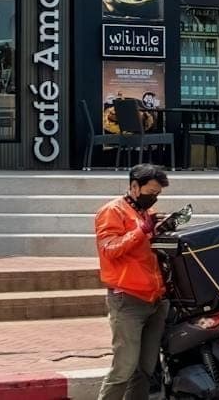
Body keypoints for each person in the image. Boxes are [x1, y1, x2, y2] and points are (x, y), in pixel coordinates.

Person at [95, 164, 170, 400]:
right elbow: (109, 250)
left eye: (157, 194)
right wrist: (142, 231)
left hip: (154, 297)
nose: (153, 198)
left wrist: (158, 230)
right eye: (150, 192)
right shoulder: (112, 211)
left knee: (145, 369)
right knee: (123, 369)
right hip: (128, 299)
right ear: (134, 187)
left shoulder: (143, 213)